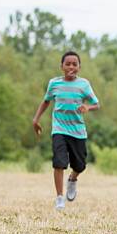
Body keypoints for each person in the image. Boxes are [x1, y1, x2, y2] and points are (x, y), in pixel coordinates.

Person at [32, 51, 100, 211]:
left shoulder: (83, 84)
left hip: (78, 131)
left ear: (79, 67)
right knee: (59, 163)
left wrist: (87, 107)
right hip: (59, 129)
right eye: (67, 64)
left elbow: (97, 104)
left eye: (74, 64)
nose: (71, 67)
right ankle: (59, 198)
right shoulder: (54, 84)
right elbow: (46, 102)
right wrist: (36, 119)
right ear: (61, 66)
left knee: (80, 165)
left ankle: (72, 179)